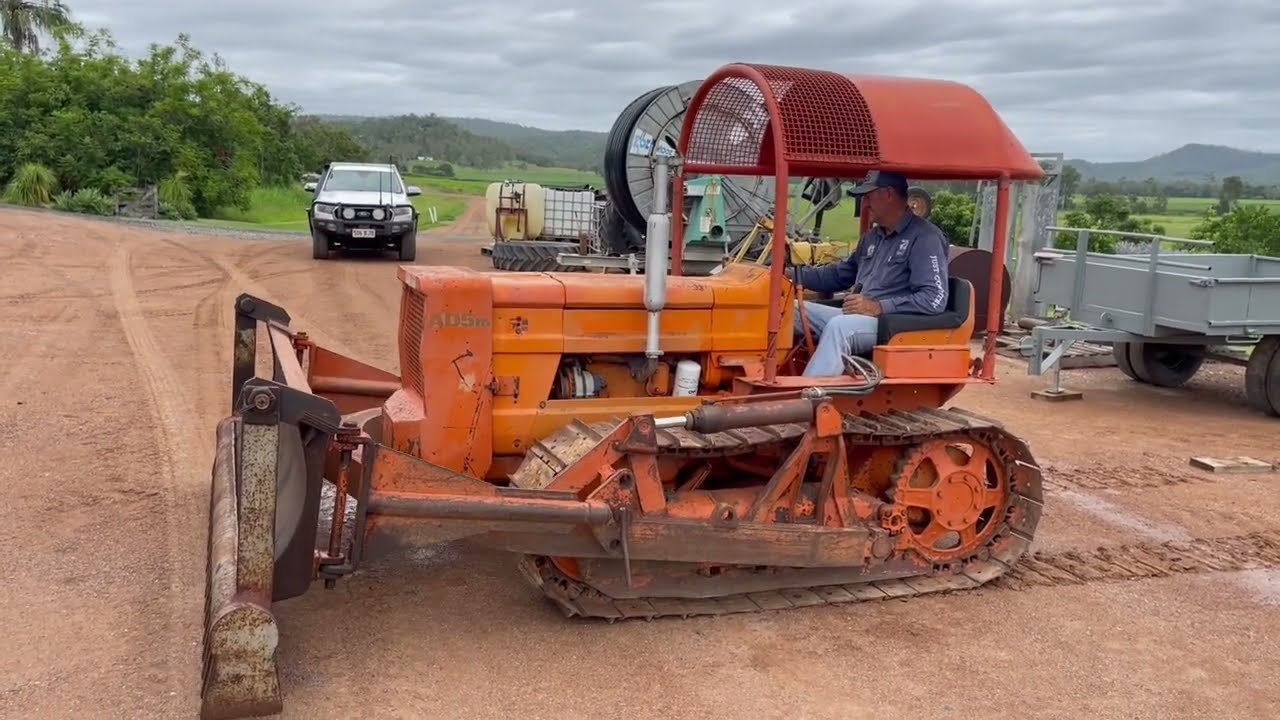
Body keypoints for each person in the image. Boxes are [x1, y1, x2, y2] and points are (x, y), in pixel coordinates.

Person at [787, 171, 950, 376]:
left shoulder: (925, 238)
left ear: (888, 194)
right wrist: (790, 276)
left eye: (868, 196)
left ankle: (809, 396)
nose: (865, 204)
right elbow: (840, 275)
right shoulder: (873, 238)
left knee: (840, 327)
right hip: (857, 316)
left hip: (891, 324)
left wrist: (878, 307)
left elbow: (933, 299)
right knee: (787, 310)